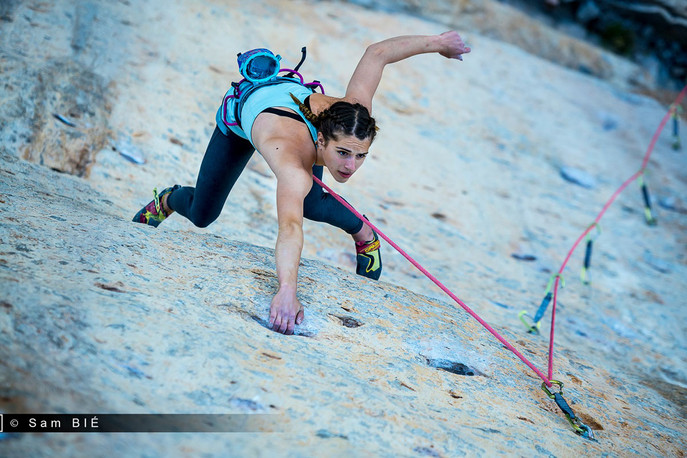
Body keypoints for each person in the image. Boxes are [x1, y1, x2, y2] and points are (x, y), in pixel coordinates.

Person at [133, 31, 471, 334]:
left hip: (294, 112)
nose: (350, 166)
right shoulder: (293, 166)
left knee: (312, 200)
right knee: (203, 213)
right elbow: (290, 228)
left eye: (360, 156)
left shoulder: (353, 117)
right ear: (320, 141)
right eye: (343, 154)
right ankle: (168, 199)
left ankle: (364, 233)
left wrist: (438, 43)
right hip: (245, 116)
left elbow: (377, 54)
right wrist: (286, 290)